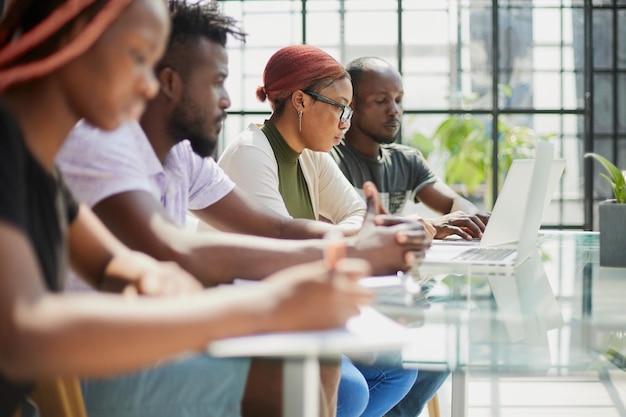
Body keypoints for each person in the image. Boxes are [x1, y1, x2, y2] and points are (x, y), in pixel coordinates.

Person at [54, 3, 429, 417]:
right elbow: (178, 252)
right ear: (169, 83)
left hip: (160, 339)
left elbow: (275, 228)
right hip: (106, 364)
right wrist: (351, 253)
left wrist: (360, 238)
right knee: (292, 377)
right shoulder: (101, 145)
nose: (228, 100)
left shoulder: (181, 155)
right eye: (216, 83)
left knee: (319, 353)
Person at [217, 44, 425, 417]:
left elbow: (358, 215)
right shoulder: (251, 152)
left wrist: (341, 232)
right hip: (257, 316)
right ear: (300, 100)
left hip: (302, 308)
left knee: (401, 369)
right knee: (351, 391)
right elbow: (278, 242)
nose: (346, 120)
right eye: (340, 106)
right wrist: (349, 235)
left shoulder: (314, 154)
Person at [331, 57, 491, 241]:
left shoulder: (406, 160)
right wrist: (429, 226)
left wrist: (473, 217)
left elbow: (455, 203)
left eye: (398, 99)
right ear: (351, 105)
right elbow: (338, 231)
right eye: (381, 100)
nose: (394, 110)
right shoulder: (330, 158)